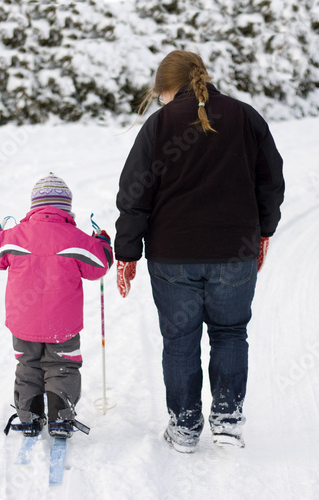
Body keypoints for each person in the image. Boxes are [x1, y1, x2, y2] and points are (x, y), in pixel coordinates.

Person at [115, 50, 284, 453]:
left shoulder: (160, 125)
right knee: (230, 332)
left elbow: (135, 193)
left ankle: (185, 427)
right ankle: (226, 421)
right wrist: (263, 231)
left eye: (160, 96)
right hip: (234, 251)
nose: (160, 102)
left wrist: (127, 252)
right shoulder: (246, 117)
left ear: (167, 89)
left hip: (173, 255)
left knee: (179, 339)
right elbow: (271, 181)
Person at [0, 173, 113, 438]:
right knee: (62, 365)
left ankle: (29, 417)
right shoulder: (77, 238)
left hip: (22, 322)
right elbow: (100, 265)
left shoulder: (15, 236)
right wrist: (103, 242)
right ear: (66, 208)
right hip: (63, 325)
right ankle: (61, 418)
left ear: (34, 207)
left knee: (28, 365)